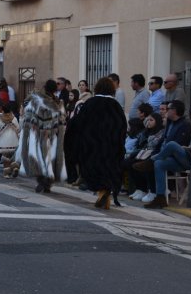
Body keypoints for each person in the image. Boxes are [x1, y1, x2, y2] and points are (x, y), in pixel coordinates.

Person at [69, 77, 127, 209]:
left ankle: (102, 194)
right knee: (108, 169)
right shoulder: (116, 106)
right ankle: (105, 193)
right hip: (111, 144)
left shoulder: (91, 103)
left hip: (92, 144)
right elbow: (122, 126)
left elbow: (79, 122)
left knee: (94, 170)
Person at [145, 101, 191, 209]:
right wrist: (188, 149)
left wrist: (190, 148)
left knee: (172, 144)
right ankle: (160, 198)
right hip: (187, 159)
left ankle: (150, 161)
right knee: (159, 163)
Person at [17, 79, 65, 191]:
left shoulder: (36, 99)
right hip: (53, 135)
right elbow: (62, 119)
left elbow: (29, 115)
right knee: (51, 158)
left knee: (38, 157)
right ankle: (47, 183)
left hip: (38, 133)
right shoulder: (57, 102)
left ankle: (42, 181)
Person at [0, 103, 20, 178]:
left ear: (3, 109)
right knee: (11, 156)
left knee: (5, 157)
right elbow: (18, 128)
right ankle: (15, 167)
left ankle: (7, 173)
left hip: (4, 140)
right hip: (13, 139)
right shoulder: (13, 117)